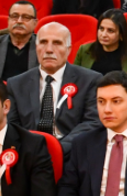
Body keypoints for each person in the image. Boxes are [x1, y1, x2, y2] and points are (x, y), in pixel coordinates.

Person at [5, 22, 101, 151]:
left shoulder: (90, 80)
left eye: (57, 43)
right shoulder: (16, 84)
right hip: (30, 153)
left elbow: (92, 122)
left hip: (72, 152)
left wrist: (58, 149)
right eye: (43, 42)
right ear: (36, 47)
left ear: (69, 49)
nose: (49, 50)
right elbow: (11, 126)